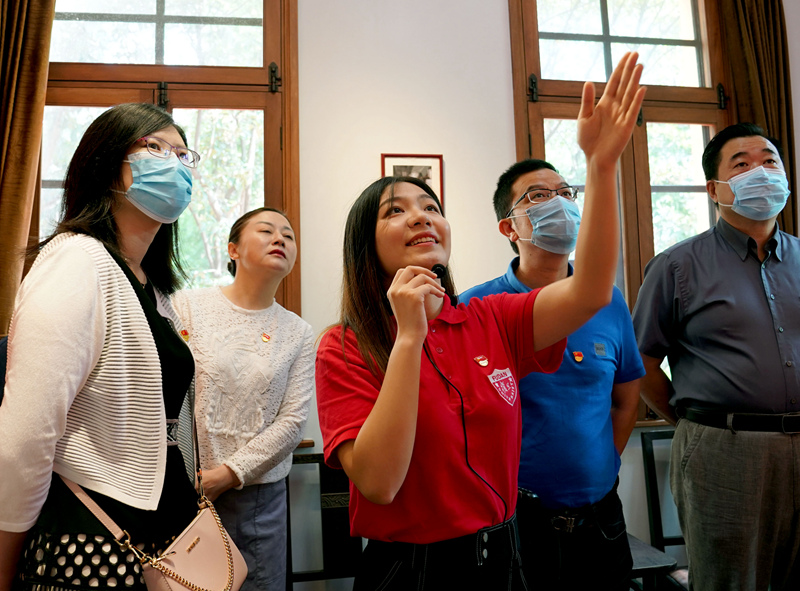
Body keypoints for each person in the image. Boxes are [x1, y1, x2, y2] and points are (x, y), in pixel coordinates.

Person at [315, 52, 646, 590]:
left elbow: (588, 293)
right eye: (395, 210)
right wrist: (408, 339)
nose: (421, 215)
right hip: (412, 570)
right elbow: (378, 482)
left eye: (429, 205)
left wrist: (601, 165)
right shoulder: (344, 346)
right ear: (364, 246)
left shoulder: (489, 317)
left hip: (504, 557)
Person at [0, 103, 200, 590]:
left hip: (161, 532)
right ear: (105, 161)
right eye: (154, 148)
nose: (173, 163)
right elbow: (26, 433)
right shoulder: (76, 259)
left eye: (183, 154)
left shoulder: (152, 287)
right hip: (93, 541)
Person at [459, 157, 644, 590]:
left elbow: (626, 398)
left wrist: (601, 464)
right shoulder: (477, 308)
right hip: (515, 519)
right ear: (509, 227)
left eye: (565, 193)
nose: (560, 204)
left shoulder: (608, 301)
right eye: (539, 197)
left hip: (600, 515)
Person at [632, 122, 800, 590]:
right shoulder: (677, 266)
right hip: (725, 448)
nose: (760, 172)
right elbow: (640, 360)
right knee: (730, 581)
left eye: (770, 161)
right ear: (715, 188)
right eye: (741, 164)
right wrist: (693, 422)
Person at [171, 207, 315, 590]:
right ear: (233, 249)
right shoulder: (186, 305)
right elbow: (166, 388)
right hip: (183, 487)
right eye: (266, 230)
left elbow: (292, 421)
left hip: (256, 500)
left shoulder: (298, 332)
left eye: (289, 235)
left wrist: (229, 474)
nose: (280, 239)